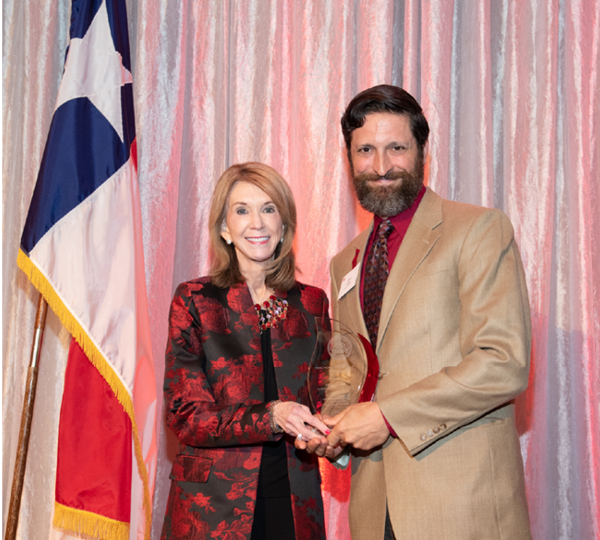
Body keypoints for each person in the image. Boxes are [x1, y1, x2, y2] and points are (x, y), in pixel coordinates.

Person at [297, 85, 532, 540]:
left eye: (396, 148)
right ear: (349, 159)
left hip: (461, 504)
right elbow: (349, 371)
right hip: (374, 508)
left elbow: (504, 362)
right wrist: (334, 429)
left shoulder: (478, 229)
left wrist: (384, 416)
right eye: (365, 150)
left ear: (422, 151)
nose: (381, 167)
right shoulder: (345, 260)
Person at [161, 162, 331, 540]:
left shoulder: (312, 302)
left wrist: (332, 432)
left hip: (293, 500)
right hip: (213, 508)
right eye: (242, 210)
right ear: (224, 228)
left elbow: (325, 395)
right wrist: (272, 416)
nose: (257, 223)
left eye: (269, 209)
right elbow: (186, 416)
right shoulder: (194, 300)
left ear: (284, 225)